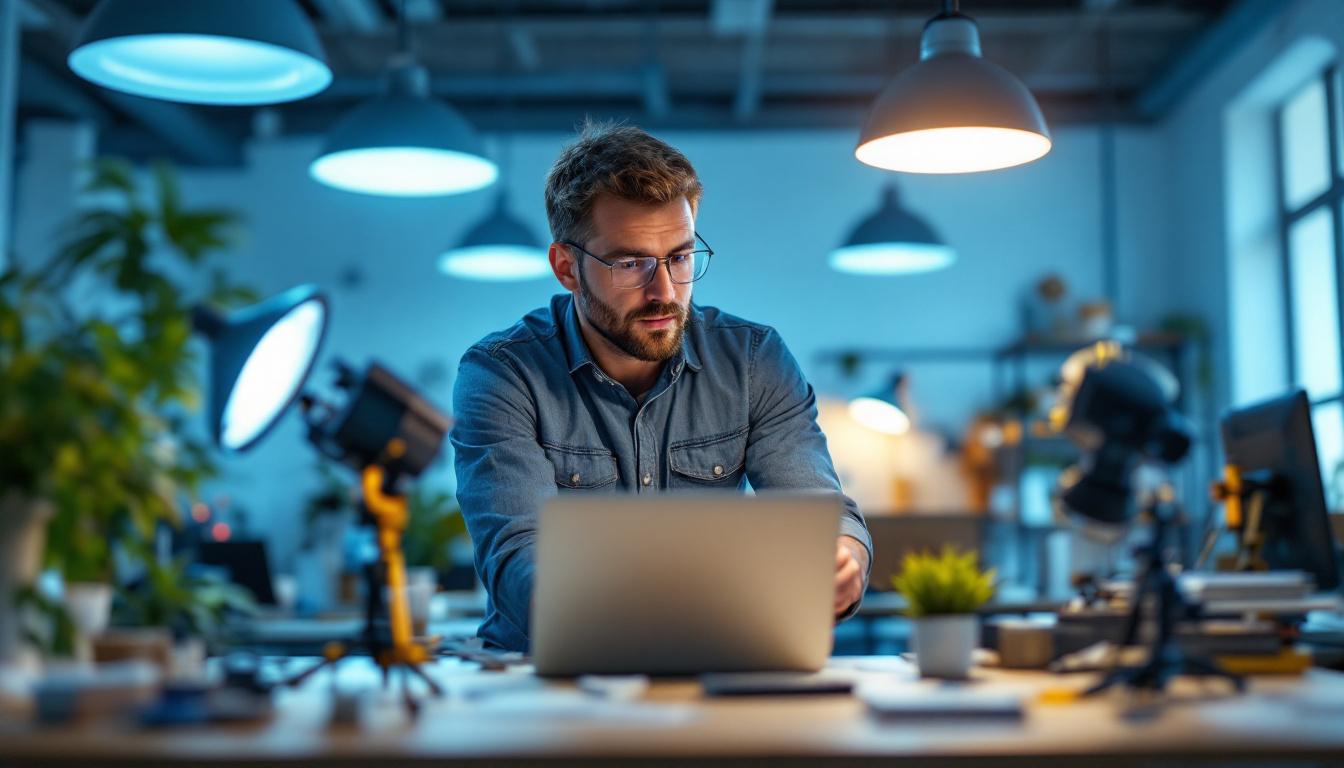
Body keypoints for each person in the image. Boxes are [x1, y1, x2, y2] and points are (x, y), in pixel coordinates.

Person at [451, 121, 871, 652]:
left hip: (711, 672)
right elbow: (518, 555)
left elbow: (821, 514)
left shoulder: (752, 361)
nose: (664, 291)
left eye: (680, 257)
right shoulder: (502, 374)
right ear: (567, 268)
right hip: (543, 683)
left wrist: (840, 560)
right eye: (630, 264)